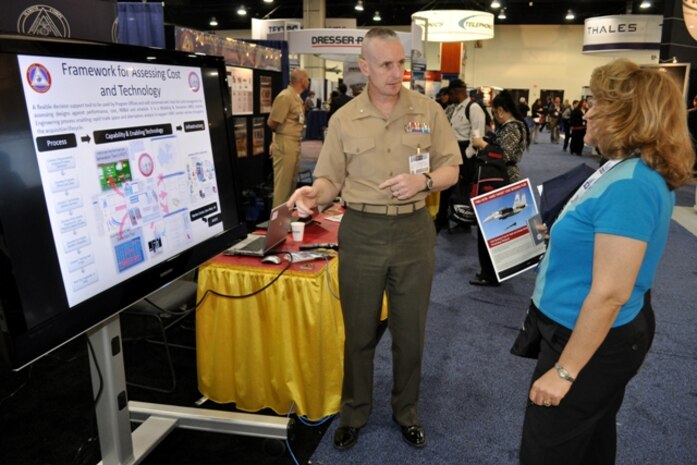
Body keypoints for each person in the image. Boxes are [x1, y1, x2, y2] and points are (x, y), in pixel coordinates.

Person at [286, 27, 461, 450]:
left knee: (410, 332)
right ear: (363, 67)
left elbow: (452, 169)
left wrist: (423, 180)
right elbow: (329, 179)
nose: (395, 72)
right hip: (362, 232)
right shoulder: (344, 118)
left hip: (413, 232)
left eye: (400, 62)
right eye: (385, 64)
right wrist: (315, 194)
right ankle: (354, 411)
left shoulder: (428, 110)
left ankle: (407, 411)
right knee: (359, 331)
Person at [516, 58, 695, 465]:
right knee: (589, 442)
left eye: (598, 102)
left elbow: (611, 292)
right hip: (588, 330)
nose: (590, 110)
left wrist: (564, 373)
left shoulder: (631, 184)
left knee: (549, 451)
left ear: (628, 113)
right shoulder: (626, 169)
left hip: (590, 338)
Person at [470, 90, 530, 286]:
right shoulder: (513, 127)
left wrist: (483, 145)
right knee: (496, 227)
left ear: (502, 110)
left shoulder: (512, 128)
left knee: (493, 227)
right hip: (504, 179)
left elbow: (504, 156)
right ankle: (492, 271)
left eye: (495, 112)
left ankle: (491, 273)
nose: (495, 116)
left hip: (503, 180)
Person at [267, 68, 310, 207]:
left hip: (294, 143)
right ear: (302, 80)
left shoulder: (296, 98)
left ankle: (286, 219)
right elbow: (272, 122)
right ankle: (277, 223)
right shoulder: (285, 96)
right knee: (282, 188)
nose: (308, 81)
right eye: (307, 78)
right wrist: (278, 140)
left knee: (291, 186)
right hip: (285, 144)